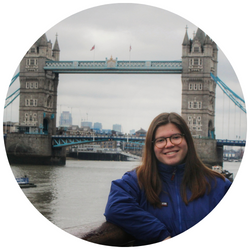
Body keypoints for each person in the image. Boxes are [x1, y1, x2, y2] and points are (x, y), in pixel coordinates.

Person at [104, 112, 231, 245]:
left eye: (176, 137)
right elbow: (115, 207)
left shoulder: (219, 186)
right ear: (151, 146)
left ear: (187, 140)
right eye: (160, 140)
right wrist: (161, 235)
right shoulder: (136, 181)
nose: (169, 144)